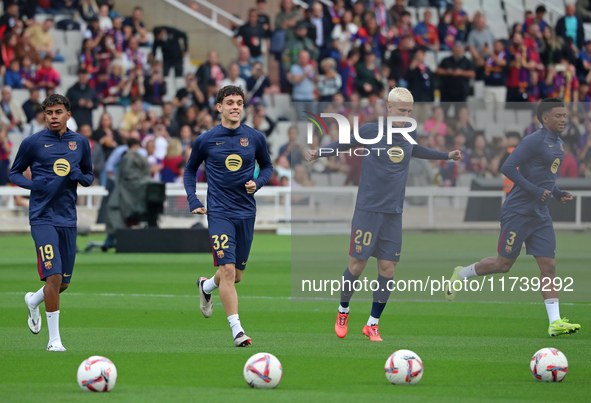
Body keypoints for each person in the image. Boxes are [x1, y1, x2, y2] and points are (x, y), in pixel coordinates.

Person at [305, 88, 462, 341]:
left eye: (410, 112)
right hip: (368, 209)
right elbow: (344, 144)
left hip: (393, 211)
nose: (407, 116)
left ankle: (372, 324)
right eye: (402, 111)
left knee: (388, 269)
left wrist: (446, 156)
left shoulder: (409, 131)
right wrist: (318, 153)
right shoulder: (370, 131)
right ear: (388, 108)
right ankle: (343, 310)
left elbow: (416, 149)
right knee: (357, 266)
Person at [444, 98, 581, 338]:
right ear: (545, 118)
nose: (563, 119)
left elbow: (545, 178)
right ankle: (461, 273)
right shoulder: (534, 140)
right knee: (502, 265)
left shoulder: (558, 144)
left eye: (564, 115)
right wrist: (537, 192)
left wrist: (557, 194)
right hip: (518, 211)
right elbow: (507, 167)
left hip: (540, 214)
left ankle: (555, 322)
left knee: (548, 266)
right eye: (558, 115)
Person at [184, 85, 273, 347]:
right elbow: (190, 170)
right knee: (228, 269)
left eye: (239, 103)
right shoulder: (206, 139)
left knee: (236, 276)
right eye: (230, 102)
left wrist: (258, 183)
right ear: (219, 107)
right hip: (220, 212)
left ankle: (206, 287)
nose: (235, 107)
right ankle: (237, 330)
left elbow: (267, 167)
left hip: (246, 212)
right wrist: (193, 198)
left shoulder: (255, 138)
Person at [8, 94, 94, 351]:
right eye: (48, 113)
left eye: (58, 112)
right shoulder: (32, 143)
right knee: (53, 275)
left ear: (68, 114)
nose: (53, 116)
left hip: (67, 217)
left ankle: (33, 300)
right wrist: (34, 184)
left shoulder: (80, 143)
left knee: (62, 283)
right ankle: (54, 340)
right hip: (42, 216)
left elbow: (89, 176)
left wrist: (79, 175)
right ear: (44, 116)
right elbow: (13, 172)